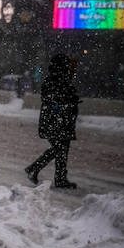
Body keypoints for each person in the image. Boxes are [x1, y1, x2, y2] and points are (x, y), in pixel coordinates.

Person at [25, 54, 81, 189]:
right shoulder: (55, 81)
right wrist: (65, 104)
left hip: (60, 121)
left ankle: (59, 178)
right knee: (59, 148)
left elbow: (60, 97)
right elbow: (52, 101)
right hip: (56, 121)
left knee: (62, 150)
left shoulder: (58, 80)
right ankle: (34, 168)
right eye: (66, 66)